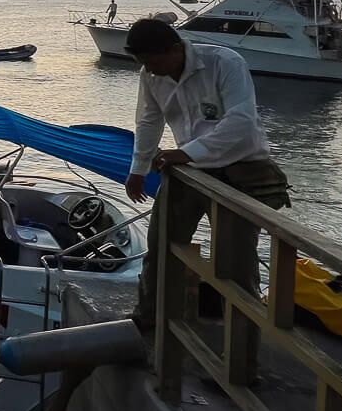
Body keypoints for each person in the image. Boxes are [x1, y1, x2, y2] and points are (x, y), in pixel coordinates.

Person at [122, 19, 289, 381]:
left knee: (236, 266)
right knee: (161, 245)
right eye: (143, 64)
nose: (148, 70)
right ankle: (149, 316)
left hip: (239, 169)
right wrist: (138, 168)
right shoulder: (151, 75)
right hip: (188, 171)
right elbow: (148, 122)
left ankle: (241, 363)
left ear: (174, 49)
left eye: (152, 61)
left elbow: (242, 122)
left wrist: (188, 152)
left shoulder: (224, 63)